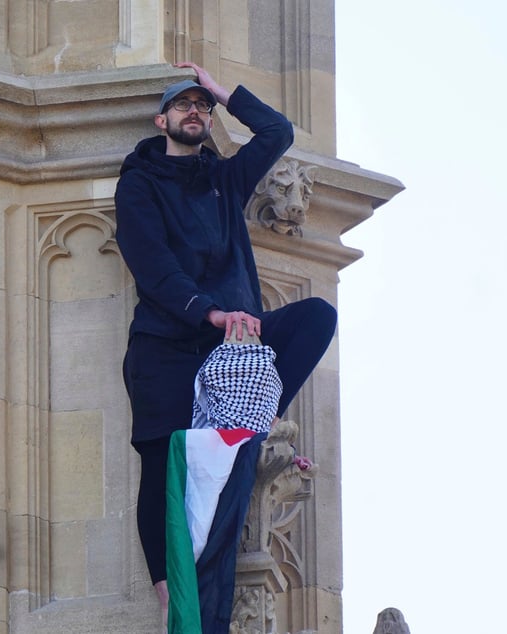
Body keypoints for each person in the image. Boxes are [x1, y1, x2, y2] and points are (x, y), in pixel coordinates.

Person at [114, 61, 336, 627]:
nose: (196, 111)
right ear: (161, 118)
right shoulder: (138, 183)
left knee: (315, 318)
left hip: (232, 344)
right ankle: (171, 592)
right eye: (184, 104)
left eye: (202, 106)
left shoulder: (223, 178)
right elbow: (153, 267)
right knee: (161, 463)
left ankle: (260, 419)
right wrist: (210, 312)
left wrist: (223, 91)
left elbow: (278, 133)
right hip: (168, 346)